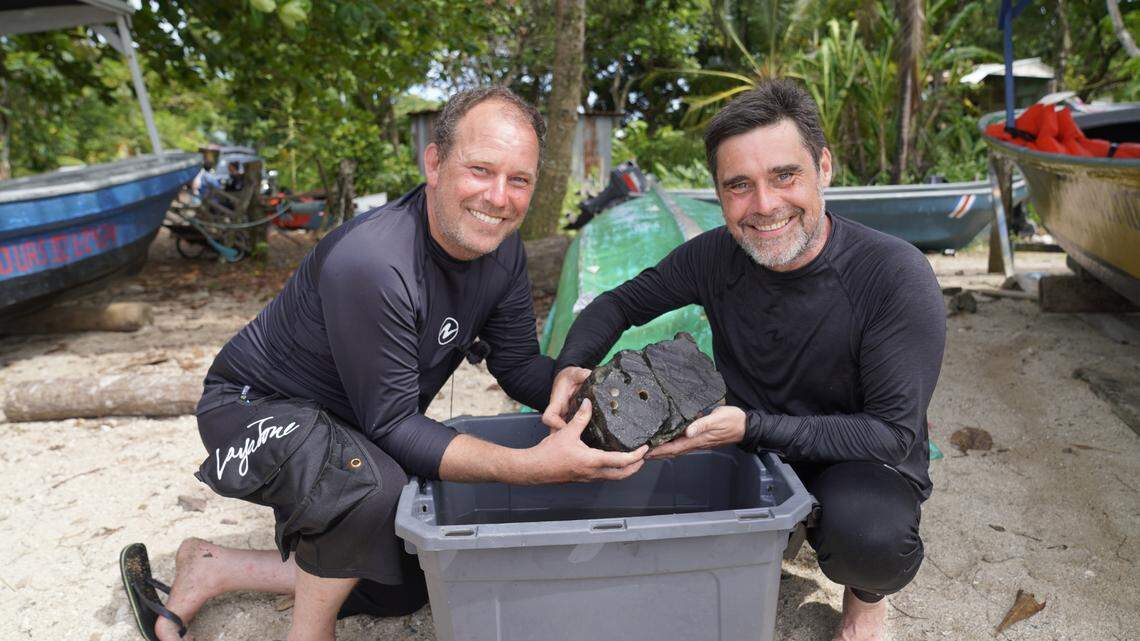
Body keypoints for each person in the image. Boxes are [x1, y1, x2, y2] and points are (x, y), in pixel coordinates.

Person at [120, 86, 646, 641]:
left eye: (519, 180)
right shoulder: (375, 262)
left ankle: (214, 565)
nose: (498, 197)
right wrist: (532, 466)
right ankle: (310, 632)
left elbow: (516, 366)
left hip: (352, 426)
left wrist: (585, 394)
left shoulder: (503, 252)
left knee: (409, 578)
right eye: (481, 170)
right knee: (372, 488)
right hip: (254, 411)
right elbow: (394, 425)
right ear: (435, 163)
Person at [543, 79, 945, 641]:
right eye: (739, 185)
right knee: (630, 494)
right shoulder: (716, 256)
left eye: (785, 175)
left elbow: (891, 435)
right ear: (718, 193)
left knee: (870, 539)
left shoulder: (893, 275)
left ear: (823, 168)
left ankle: (865, 600)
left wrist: (751, 426)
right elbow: (616, 303)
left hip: (856, 454)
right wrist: (571, 365)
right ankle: (782, 525)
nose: (764, 205)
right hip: (747, 446)